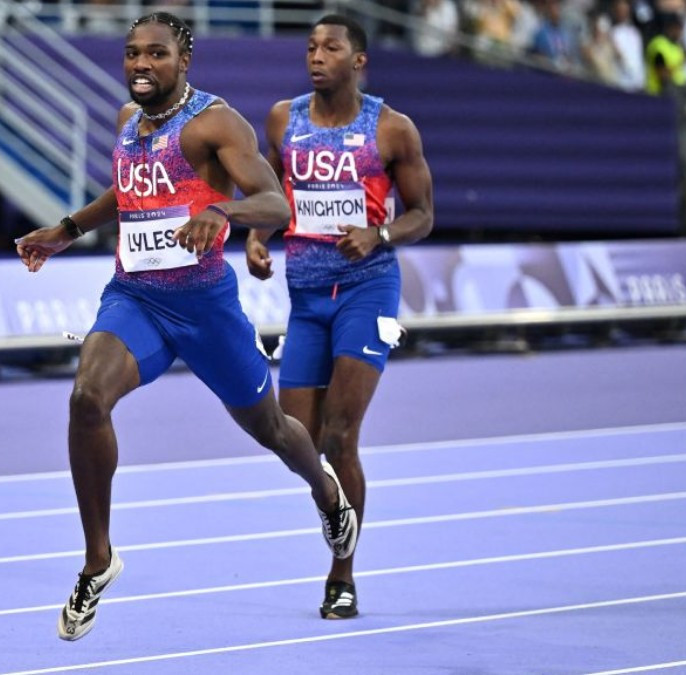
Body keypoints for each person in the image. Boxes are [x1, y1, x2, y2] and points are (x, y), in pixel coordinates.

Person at [14, 12, 358, 641]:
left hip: (205, 309)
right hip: (135, 299)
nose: (141, 65)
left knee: (274, 431)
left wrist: (221, 210)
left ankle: (327, 495)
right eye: (132, 55)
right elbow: (126, 195)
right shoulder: (127, 121)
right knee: (87, 398)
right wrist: (66, 231)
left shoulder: (215, 123)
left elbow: (277, 202)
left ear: (184, 60)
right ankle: (99, 559)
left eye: (156, 54)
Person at [245, 14, 434, 620]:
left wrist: (378, 233)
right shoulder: (283, 119)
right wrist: (258, 236)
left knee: (339, 435)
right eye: (310, 46)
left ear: (359, 62)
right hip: (305, 299)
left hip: (367, 291)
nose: (316, 56)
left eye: (331, 47)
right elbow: (271, 191)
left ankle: (342, 575)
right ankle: (334, 506)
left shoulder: (392, 129)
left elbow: (423, 214)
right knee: (295, 441)